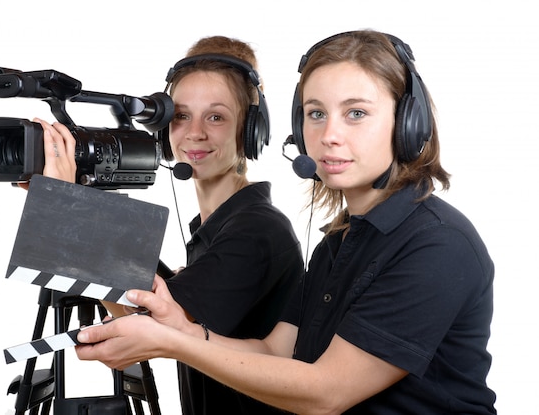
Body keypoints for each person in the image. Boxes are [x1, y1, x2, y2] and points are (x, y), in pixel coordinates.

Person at [75, 30, 497, 414]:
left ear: (408, 124)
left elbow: (328, 392)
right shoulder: (336, 244)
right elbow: (276, 351)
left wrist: (175, 343)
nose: (329, 134)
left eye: (356, 113)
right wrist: (183, 330)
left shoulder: (437, 244)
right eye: (316, 114)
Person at [33, 36, 304, 414]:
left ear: (250, 130)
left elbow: (149, 323)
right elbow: (147, 298)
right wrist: (80, 194)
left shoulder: (257, 230)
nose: (195, 133)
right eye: (180, 115)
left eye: (216, 116)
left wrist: (67, 210)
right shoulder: (216, 227)